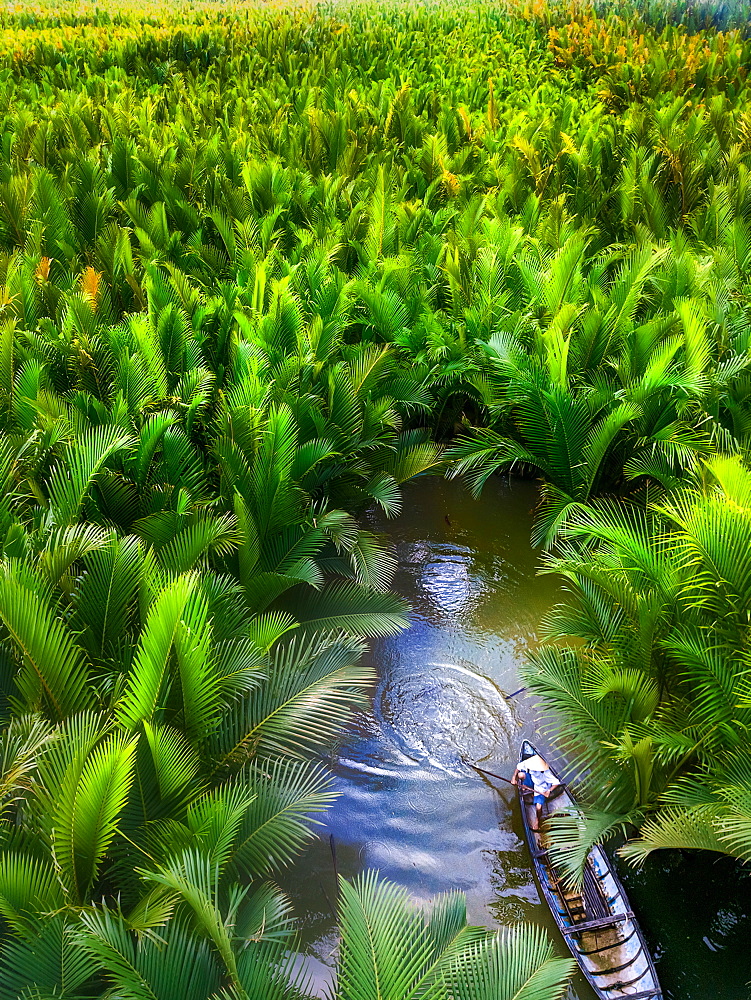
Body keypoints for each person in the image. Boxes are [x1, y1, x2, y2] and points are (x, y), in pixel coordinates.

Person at [512, 754, 561, 830]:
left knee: (538, 807)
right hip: (533, 780)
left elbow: (556, 783)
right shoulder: (528, 764)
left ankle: (537, 820)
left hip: (541, 788)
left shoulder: (546, 773)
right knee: (520, 774)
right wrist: (513, 777)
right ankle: (526, 787)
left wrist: (549, 791)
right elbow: (518, 767)